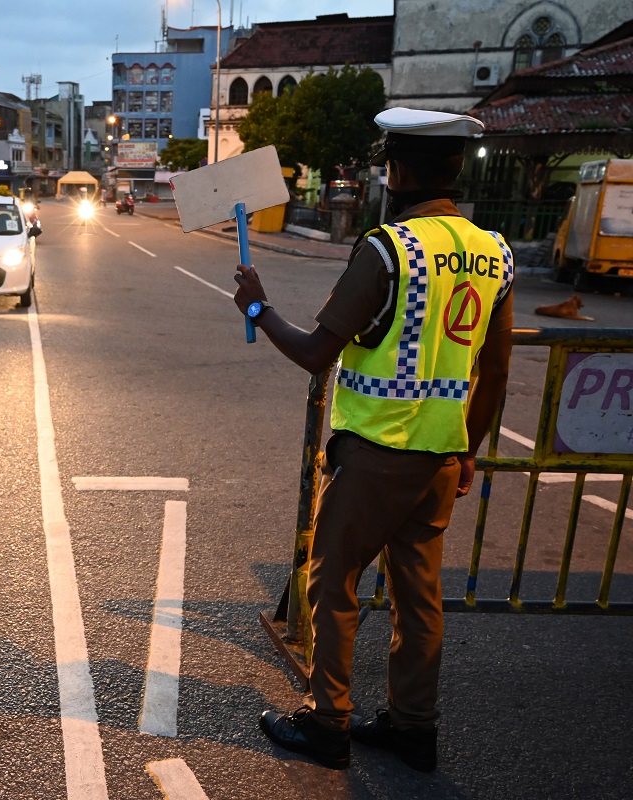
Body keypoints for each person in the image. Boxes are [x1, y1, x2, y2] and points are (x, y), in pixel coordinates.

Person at [234, 107, 514, 772]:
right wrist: (467, 448)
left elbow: (315, 352)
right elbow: (494, 371)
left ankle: (328, 722)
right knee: (419, 597)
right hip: (440, 460)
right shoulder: (494, 252)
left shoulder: (391, 249)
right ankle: (415, 727)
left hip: (375, 456)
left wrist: (255, 306)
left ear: (396, 170)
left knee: (333, 585)